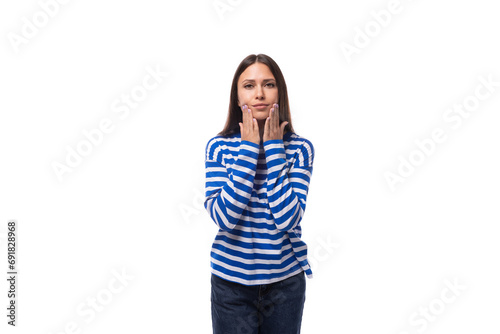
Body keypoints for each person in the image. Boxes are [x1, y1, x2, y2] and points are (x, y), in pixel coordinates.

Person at [204, 53, 315, 334]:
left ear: (280, 91)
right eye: (249, 86)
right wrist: (250, 150)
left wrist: (275, 149)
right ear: (237, 95)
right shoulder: (218, 147)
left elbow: (287, 219)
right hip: (231, 286)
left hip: (284, 285)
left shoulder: (300, 149)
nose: (260, 94)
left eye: (268, 84)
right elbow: (224, 218)